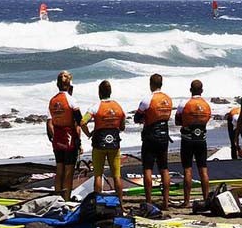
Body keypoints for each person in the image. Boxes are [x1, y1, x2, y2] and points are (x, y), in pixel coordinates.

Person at [81, 80, 126, 206]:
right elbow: (122, 126)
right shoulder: (118, 107)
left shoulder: (95, 107)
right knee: (116, 175)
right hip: (114, 145)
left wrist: (89, 134)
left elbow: (83, 122)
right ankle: (120, 203)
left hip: (99, 144)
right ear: (110, 92)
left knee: (98, 175)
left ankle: (98, 203)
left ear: (99, 92)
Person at [134, 74, 173, 210]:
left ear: (151, 84)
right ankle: (166, 202)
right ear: (161, 83)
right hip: (164, 135)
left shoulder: (147, 99)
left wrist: (144, 119)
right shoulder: (168, 99)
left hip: (150, 135)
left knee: (148, 168)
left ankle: (149, 201)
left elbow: (137, 117)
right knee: (164, 168)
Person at [46, 71, 82, 200]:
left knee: (59, 169)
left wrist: (53, 137)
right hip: (69, 137)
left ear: (57, 84)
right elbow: (79, 120)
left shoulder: (52, 100)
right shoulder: (71, 100)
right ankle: (66, 199)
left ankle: (57, 199)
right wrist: (83, 137)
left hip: (57, 138)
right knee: (69, 171)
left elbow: (49, 122)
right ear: (69, 85)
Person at [175, 80, 212, 207]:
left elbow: (177, 121)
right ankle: (206, 198)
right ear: (202, 90)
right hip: (201, 139)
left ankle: (186, 201)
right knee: (203, 169)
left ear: (190, 90)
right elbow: (207, 120)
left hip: (187, 139)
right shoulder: (207, 105)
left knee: (187, 169)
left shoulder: (184, 104)